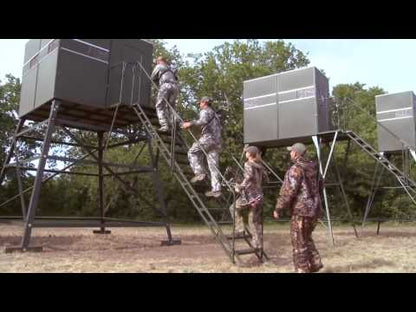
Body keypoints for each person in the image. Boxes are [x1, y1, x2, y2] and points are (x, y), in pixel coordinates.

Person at [273, 143, 324, 273]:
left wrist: (278, 208)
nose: (290, 153)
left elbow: (288, 192)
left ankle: (302, 269)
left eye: (291, 152)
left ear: (296, 153)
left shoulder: (295, 169)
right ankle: (315, 263)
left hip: (301, 212)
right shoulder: (315, 168)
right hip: (315, 210)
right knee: (305, 238)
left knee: (299, 243)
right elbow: (321, 188)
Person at [182, 97, 222, 198]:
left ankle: (199, 172)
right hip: (217, 142)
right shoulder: (215, 114)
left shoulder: (205, 111)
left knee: (192, 152)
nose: (199, 105)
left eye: (200, 103)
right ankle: (216, 189)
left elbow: (203, 121)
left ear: (204, 103)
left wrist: (189, 124)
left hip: (208, 139)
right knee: (213, 167)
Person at [232, 146, 267, 251]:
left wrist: (240, 186)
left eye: (246, 152)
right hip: (259, 196)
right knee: (255, 221)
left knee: (233, 208)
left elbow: (248, 176)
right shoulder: (260, 165)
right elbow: (265, 179)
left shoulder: (248, 164)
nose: (245, 154)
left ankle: (240, 228)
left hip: (249, 196)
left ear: (250, 154)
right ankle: (258, 243)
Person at [150, 56, 179, 133]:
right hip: (175, 87)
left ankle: (164, 125)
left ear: (159, 61)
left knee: (159, 106)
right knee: (171, 106)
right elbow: (176, 78)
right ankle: (175, 122)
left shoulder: (159, 66)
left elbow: (152, 77)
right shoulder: (171, 68)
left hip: (165, 86)